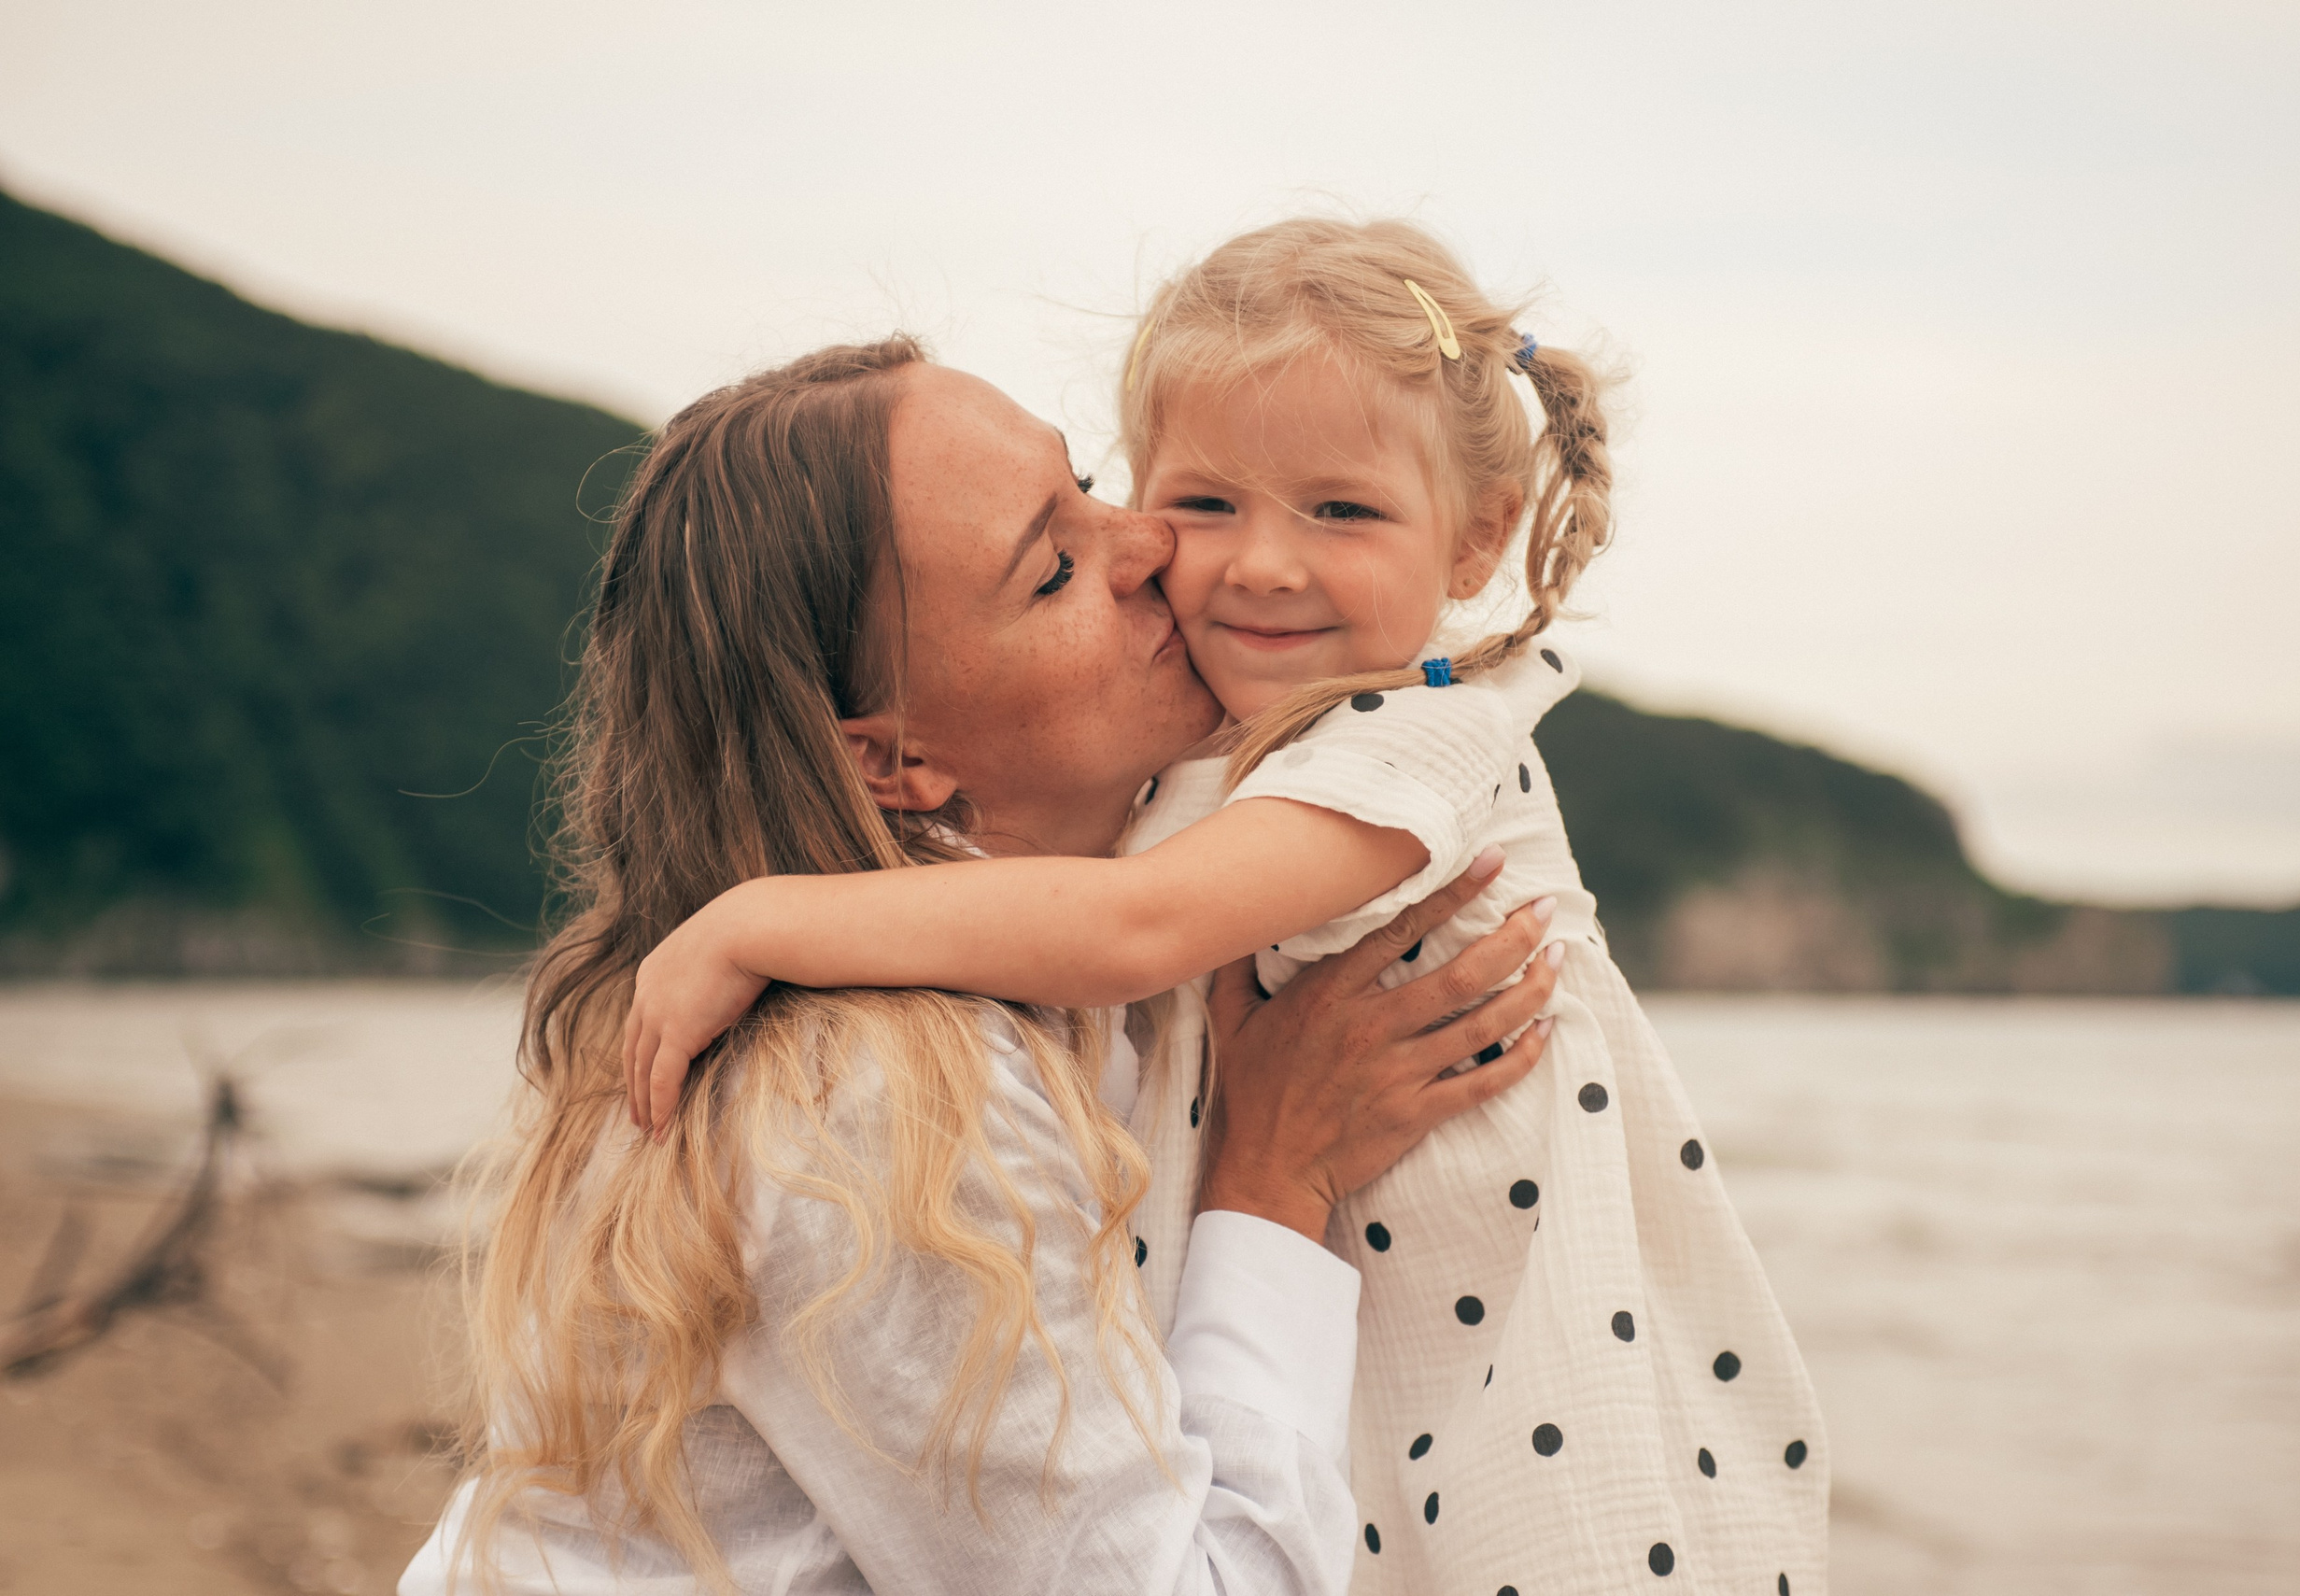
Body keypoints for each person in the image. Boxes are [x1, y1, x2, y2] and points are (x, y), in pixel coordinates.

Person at [625, 219, 1828, 1594]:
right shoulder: (891, 1079)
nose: (1250, 563)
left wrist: (762, 920)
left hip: (1521, 1347)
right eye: (1202, 503)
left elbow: (1132, 928)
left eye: (1342, 510)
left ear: (1477, 539)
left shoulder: (1415, 734)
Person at [398, 334, 1564, 1595]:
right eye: (1057, 567)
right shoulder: (866, 1097)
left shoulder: (1050, 983)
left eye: (1091, 485)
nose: (1153, 544)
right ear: (890, 764)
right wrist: (1274, 1177)